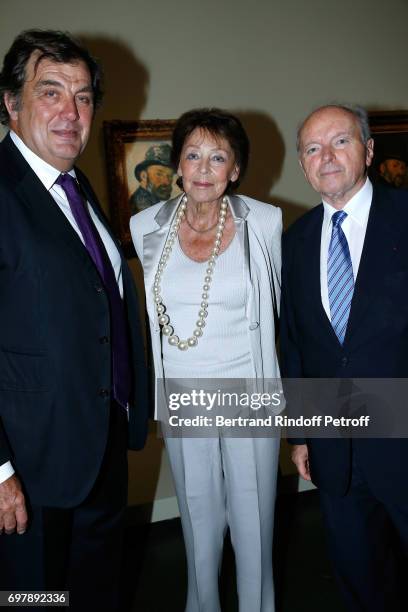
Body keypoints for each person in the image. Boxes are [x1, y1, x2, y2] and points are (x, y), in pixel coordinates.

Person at [0, 29, 148, 610]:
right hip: (28, 466)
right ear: (10, 104)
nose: (71, 111)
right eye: (51, 92)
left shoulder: (78, 185)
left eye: (83, 96)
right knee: (32, 598)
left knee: (94, 592)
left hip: (100, 444)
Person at [130, 108, 282, 612]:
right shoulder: (144, 225)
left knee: (253, 524)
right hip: (184, 399)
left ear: (235, 169)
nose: (202, 168)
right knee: (197, 522)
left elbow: (281, 308)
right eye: (192, 154)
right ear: (177, 163)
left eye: (217, 157)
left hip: (248, 396)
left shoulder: (264, 222)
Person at [280, 104, 408, 611]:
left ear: (369, 150)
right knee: (358, 578)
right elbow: (295, 343)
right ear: (303, 164)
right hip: (335, 449)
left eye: (340, 141)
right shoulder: (294, 241)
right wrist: (302, 435)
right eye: (312, 148)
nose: (326, 157)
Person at [129, 143, 175, 213]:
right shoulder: (142, 207)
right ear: (144, 176)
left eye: (170, 176)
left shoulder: (153, 202)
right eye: (159, 174)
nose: (167, 182)